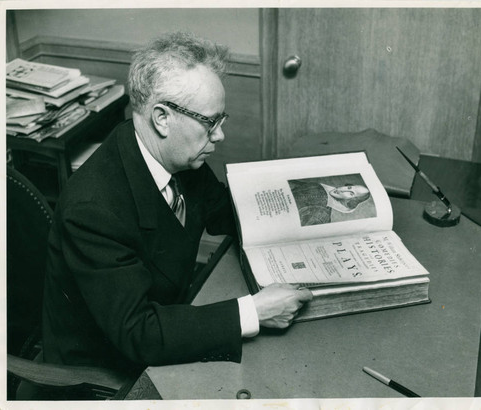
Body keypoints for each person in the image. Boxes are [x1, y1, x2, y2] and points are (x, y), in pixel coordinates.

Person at [41, 32, 312, 373]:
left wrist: (307, 215)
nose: (220, 135)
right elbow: (139, 333)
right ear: (162, 118)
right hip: (104, 367)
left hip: (169, 315)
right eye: (211, 122)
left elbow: (225, 212)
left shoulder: (176, 153)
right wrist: (254, 311)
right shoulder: (92, 209)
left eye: (221, 120)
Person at [289, 179, 371, 226]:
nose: (343, 190)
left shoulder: (320, 215)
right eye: (349, 187)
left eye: (351, 193)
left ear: (351, 201)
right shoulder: (319, 188)